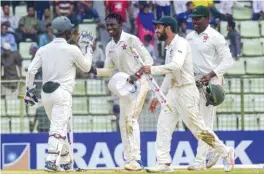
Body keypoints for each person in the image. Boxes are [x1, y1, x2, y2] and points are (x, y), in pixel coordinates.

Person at [136, 16, 234, 173]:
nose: (156, 31)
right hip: (174, 92)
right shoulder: (169, 47)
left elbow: (175, 65)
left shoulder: (180, 43)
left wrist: (152, 69)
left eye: (159, 28)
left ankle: (225, 152)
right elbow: (170, 74)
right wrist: (158, 95)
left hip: (187, 91)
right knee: (163, 125)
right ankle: (164, 163)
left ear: (168, 28)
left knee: (198, 129)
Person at [24, 16, 94, 171]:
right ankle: (50, 161)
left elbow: (31, 70)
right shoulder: (72, 49)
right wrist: (88, 49)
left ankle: (66, 163)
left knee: (61, 128)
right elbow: (87, 67)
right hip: (62, 93)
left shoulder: (43, 49)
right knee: (58, 128)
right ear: (67, 32)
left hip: (45, 94)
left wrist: (28, 91)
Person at [92, 13, 153, 171]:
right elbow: (107, 71)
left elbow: (148, 60)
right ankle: (129, 160)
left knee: (131, 119)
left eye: (113, 24)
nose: (110, 28)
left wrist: (137, 74)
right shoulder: (109, 46)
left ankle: (136, 160)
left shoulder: (131, 39)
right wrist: (91, 70)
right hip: (126, 86)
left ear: (121, 25)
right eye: (108, 25)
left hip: (140, 82)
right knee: (122, 122)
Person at [186, 6, 234, 170]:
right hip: (193, 83)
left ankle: (200, 161)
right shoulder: (189, 37)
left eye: (198, 18)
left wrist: (211, 74)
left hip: (211, 84)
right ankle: (221, 150)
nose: (194, 21)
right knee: (194, 122)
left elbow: (228, 61)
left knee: (204, 123)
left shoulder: (216, 37)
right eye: (193, 18)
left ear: (208, 18)